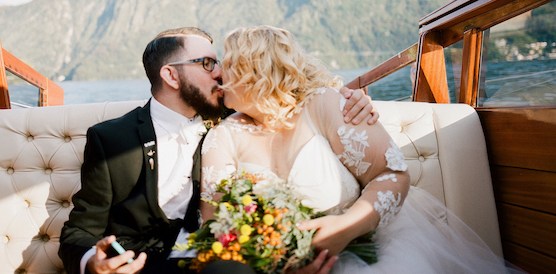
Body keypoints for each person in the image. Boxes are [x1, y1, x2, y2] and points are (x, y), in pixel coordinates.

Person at [201, 25, 523, 274]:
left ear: (255, 70)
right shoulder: (222, 137)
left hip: (369, 252)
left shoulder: (325, 105)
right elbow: (216, 226)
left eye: (225, 63)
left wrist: (345, 227)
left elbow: (392, 173)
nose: (217, 74)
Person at [59, 27, 377, 274]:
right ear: (170, 75)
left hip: (233, 264)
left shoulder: (242, 117)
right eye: (208, 63)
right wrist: (94, 264)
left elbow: (290, 97)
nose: (221, 74)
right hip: (146, 267)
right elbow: (80, 232)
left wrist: (349, 100)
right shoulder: (111, 138)